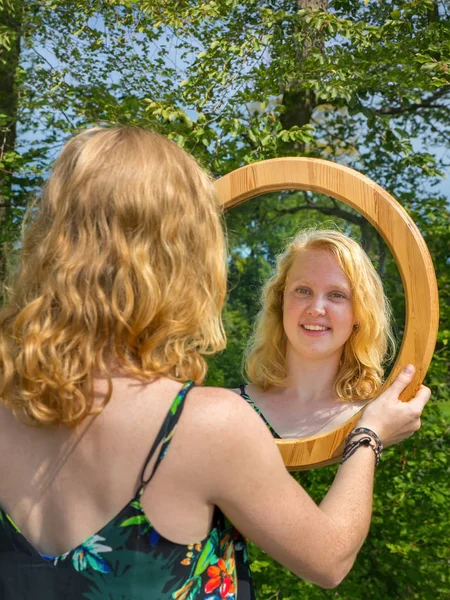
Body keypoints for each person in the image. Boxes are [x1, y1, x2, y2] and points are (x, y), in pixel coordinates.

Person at [0, 126, 429, 599]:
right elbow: (330, 559)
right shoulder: (209, 423)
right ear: (178, 254)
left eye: (337, 296)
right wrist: (370, 437)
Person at [239, 229, 396, 438]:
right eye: (303, 290)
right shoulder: (230, 410)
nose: (316, 308)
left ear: (359, 313)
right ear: (281, 301)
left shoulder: (384, 420)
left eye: (336, 295)